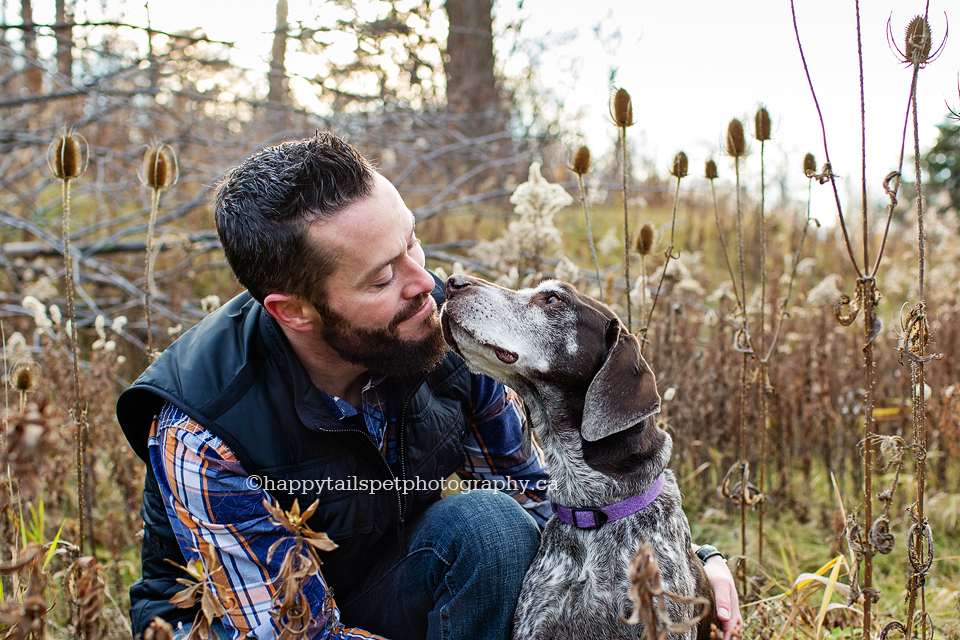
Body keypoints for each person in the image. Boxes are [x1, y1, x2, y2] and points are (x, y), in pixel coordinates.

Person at [118, 132, 742, 640]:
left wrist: (689, 558)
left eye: (411, 240)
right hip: (249, 626)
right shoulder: (205, 429)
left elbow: (536, 497)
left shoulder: (432, 332)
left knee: (490, 529)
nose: (425, 282)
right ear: (295, 311)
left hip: (382, 587)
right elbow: (289, 632)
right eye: (383, 275)